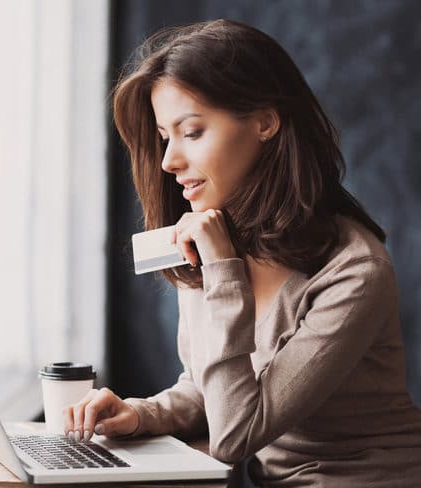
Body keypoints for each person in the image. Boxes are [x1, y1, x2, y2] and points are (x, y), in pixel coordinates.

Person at [63, 19, 421, 486]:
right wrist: (139, 414)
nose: (169, 160)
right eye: (164, 136)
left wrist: (223, 271)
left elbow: (235, 433)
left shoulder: (354, 272)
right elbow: (210, 387)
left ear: (265, 123)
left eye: (191, 132)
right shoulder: (215, 236)